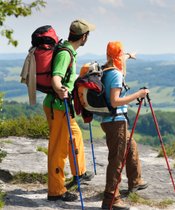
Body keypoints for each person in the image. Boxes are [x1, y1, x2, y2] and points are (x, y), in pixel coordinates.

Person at [43, 19, 95, 202]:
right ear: (83, 37)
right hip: (58, 106)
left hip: (63, 106)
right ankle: (56, 191)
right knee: (58, 148)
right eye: (88, 35)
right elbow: (56, 78)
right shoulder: (65, 54)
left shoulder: (68, 50)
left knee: (75, 136)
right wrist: (61, 90)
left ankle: (79, 173)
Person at [100, 41, 149, 210]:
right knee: (116, 160)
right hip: (116, 121)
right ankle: (111, 199)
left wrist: (129, 56)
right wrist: (139, 94)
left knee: (131, 146)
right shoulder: (115, 75)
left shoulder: (106, 69)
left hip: (110, 120)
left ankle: (135, 181)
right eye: (123, 54)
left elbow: (119, 58)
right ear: (118, 56)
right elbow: (114, 101)